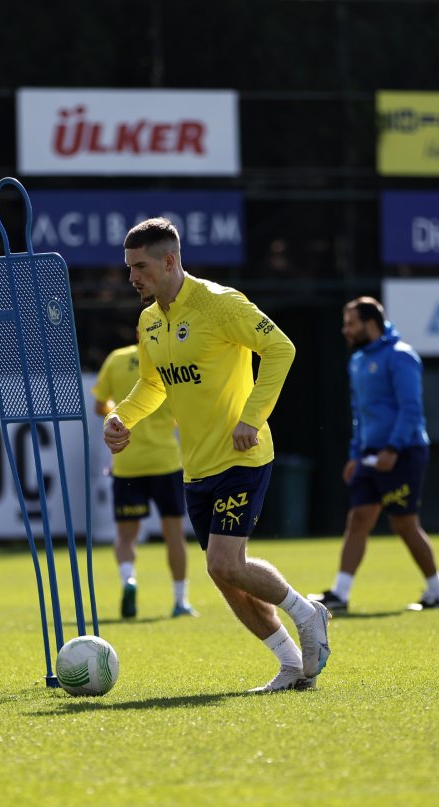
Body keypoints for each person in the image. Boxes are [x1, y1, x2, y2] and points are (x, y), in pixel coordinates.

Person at [103, 217, 330, 693]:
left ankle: (308, 614)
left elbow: (281, 348)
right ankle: (291, 665)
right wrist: (123, 418)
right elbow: (152, 384)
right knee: (225, 576)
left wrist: (253, 416)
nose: (132, 278)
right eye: (129, 268)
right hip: (197, 466)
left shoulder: (220, 304)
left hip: (243, 454)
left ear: (169, 261)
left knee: (225, 564)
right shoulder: (148, 321)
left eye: (140, 266)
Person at [310, 297, 439, 614]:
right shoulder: (357, 361)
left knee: (404, 523)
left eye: (350, 323)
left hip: (404, 452)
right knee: (357, 520)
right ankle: (340, 595)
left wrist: (392, 449)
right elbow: (360, 414)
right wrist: (356, 454)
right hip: (370, 456)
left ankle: (437, 592)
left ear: (370, 323)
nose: (345, 330)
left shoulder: (401, 357)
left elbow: (410, 409)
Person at [93, 334, 196, 619]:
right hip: (165, 460)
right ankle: (180, 600)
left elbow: (99, 405)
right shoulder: (173, 360)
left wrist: (116, 411)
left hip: (127, 462)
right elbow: (185, 410)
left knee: (126, 536)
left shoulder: (116, 359)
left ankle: (129, 580)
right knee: (174, 534)